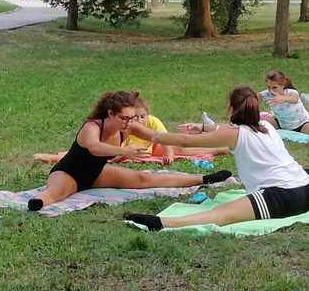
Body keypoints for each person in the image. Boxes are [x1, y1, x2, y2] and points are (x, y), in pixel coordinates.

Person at [123, 87, 309, 231]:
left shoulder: (236, 134)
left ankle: (162, 224)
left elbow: (184, 141)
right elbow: (223, 131)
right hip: (308, 191)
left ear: (231, 108)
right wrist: (203, 127)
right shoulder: (266, 126)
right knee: (226, 211)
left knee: (220, 215)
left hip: (283, 196)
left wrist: (145, 132)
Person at [27, 91, 232, 212]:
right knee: (58, 193)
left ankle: (203, 178)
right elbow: (95, 148)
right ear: (110, 114)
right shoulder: (92, 126)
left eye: (132, 118)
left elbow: (156, 137)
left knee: (144, 178)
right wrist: (125, 151)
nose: (129, 123)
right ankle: (36, 204)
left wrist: (191, 137)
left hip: (97, 174)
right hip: (68, 173)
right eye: (124, 118)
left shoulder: (129, 126)